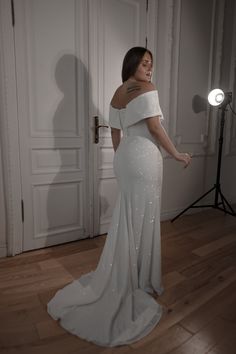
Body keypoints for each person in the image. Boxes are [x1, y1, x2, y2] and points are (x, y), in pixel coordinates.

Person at [47, 46, 191, 347]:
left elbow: (115, 131)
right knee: (144, 216)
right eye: (144, 63)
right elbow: (154, 127)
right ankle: (140, 278)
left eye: (151, 64)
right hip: (145, 156)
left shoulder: (117, 92)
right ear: (132, 65)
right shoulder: (147, 89)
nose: (150, 69)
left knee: (128, 216)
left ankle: (132, 274)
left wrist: (120, 155)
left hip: (126, 156)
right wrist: (176, 153)